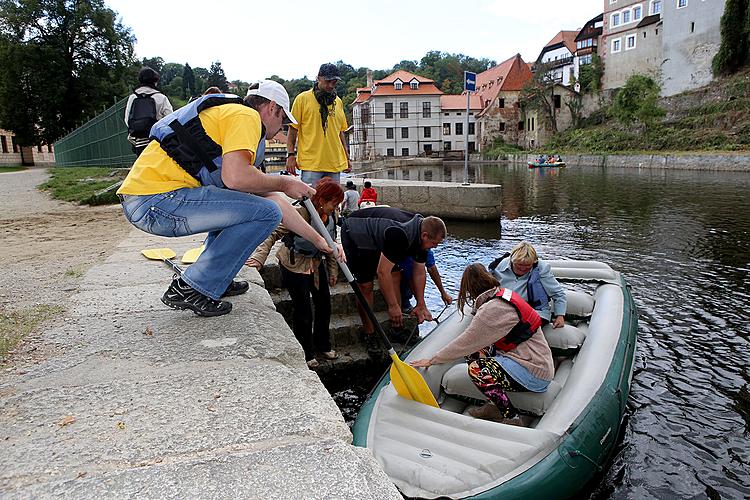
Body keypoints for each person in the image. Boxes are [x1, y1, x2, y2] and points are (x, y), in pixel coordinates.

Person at [117, 80, 336, 317]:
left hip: (148, 201)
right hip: (156, 202)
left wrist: (319, 241)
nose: (280, 130)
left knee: (250, 206)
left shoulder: (231, 117)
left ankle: (216, 277)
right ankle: (191, 288)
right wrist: (285, 182)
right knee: (264, 212)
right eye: (283, 120)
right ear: (272, 107)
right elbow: (237, 179)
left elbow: (273, 199)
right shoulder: (248, 117)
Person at [410, 263, 554, 426]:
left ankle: (510, 416)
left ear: (469, 289)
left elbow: (464, 342)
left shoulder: (491, 309)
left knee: (476, 368)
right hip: (529, 361)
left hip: (533, 373)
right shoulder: (503, 295)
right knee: (475, 353)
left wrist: (432, 360)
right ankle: (494, 405)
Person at [247, 178, 344, 369]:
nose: (336, 207)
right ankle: (307, 352)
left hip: (316, 264)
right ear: (322, 200)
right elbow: (273, 233)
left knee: (324, 304)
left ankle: (323, 345)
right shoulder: (300, 212)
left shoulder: (331, 216)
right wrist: (260, 257)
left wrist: (333, 271)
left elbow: (331, 243)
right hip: (294, 264)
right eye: (334, 202)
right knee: (303, 310)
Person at [341, 207, 446, 355]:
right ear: (425, 236)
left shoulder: (421, 236)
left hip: (381, 235)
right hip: (356, 234)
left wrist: (421, 304)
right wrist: (393, 306)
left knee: (396, 274)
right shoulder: (401, 234)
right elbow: (382, 272)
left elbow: (419, 272)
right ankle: (369, 334)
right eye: (435, 243)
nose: (435, 247)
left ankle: (396, 328)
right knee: (366, 286)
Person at [285, 63, 352, 186]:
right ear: (318, 78)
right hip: (311, 164)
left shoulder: (338, 102)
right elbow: (292, 130)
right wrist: (290, 155)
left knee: (333, 203)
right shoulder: (302, 99)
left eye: (334, 82)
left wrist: (347, 157)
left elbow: (340, 132)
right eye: (328, 81)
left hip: (334, 163)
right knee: (311, 202)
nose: (331, 85)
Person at [489, 241, 566, 328]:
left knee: (518, 329)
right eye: (519, 264)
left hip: (536, 311)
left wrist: (560, 315)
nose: (522, 268)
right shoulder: (497, 267)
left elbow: (558, 293)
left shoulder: (541, 268)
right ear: (512, 261)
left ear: (534, 262)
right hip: (505, 309)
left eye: (527, 265)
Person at [124, 67, 173, 157]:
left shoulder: (133, 97)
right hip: (157, 141)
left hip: (139, 142)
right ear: (155, 81)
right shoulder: (161, 97)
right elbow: (170, 119)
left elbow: (127, 120)